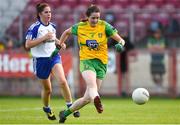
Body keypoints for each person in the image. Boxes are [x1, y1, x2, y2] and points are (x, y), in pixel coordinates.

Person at [53, 5, 125, 123]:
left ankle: (64, 114)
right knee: (92, 87)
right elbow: (66, 32)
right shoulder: (80, 27)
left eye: (97, 18)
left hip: (101, 63)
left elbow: (121, 39)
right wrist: (59, 44)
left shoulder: (104, 26)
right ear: (87, 17)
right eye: (93, 18)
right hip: (87, 61)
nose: (95, 21)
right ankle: (97, 100)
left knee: (87, 98)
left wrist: (120, 44)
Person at [25, 2, 80, 120]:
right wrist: (43, 38)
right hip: (40, 60)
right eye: (46, 12)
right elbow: (28, 44)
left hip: (53, 57)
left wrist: (60, 43)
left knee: (63, 81)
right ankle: (47, 108)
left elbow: (53, 38)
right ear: (40, 14)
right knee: (48, 89)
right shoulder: (35, 28)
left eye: (50, 12)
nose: (49, 14)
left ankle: (71, 107)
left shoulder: (52, 26)